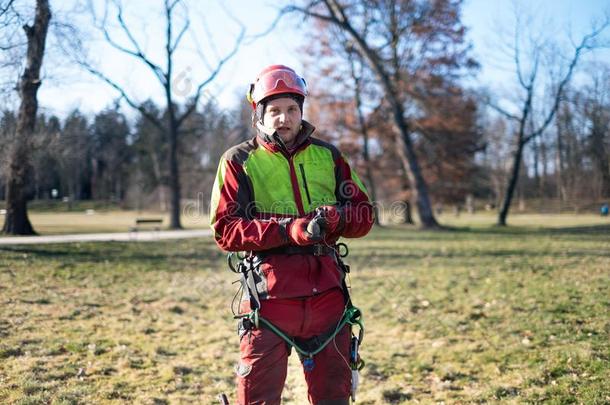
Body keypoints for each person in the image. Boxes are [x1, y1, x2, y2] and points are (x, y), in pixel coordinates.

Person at [209, 65, 374, 405]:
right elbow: (226, 230)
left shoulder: (329, 156)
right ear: (260, 115)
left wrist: (337, 219)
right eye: (274, 111)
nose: (283, 119)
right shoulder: (238, 161)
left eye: (291, 110)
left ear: (301, 112)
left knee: (333, 398)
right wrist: (290, 229)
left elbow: (364, 214)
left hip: (328, 298)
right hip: (268, 301)